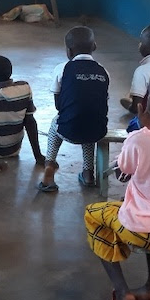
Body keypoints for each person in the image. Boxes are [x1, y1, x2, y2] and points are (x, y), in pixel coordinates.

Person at [85, 64, 150, 300]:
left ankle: (122, 289)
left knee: (94, 215)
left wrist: (142, 128)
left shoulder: (140, 138)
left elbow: (123, 171)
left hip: (142, 230)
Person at [38, 26, 109, 192]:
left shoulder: (62, 69)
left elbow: (58, 105)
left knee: (57, 123)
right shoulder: (103, 70)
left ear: (69, 51)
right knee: (89, 121)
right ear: (94, 46)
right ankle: (88, 173)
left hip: (68, 130)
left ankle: (49, 164)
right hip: (97, 130)